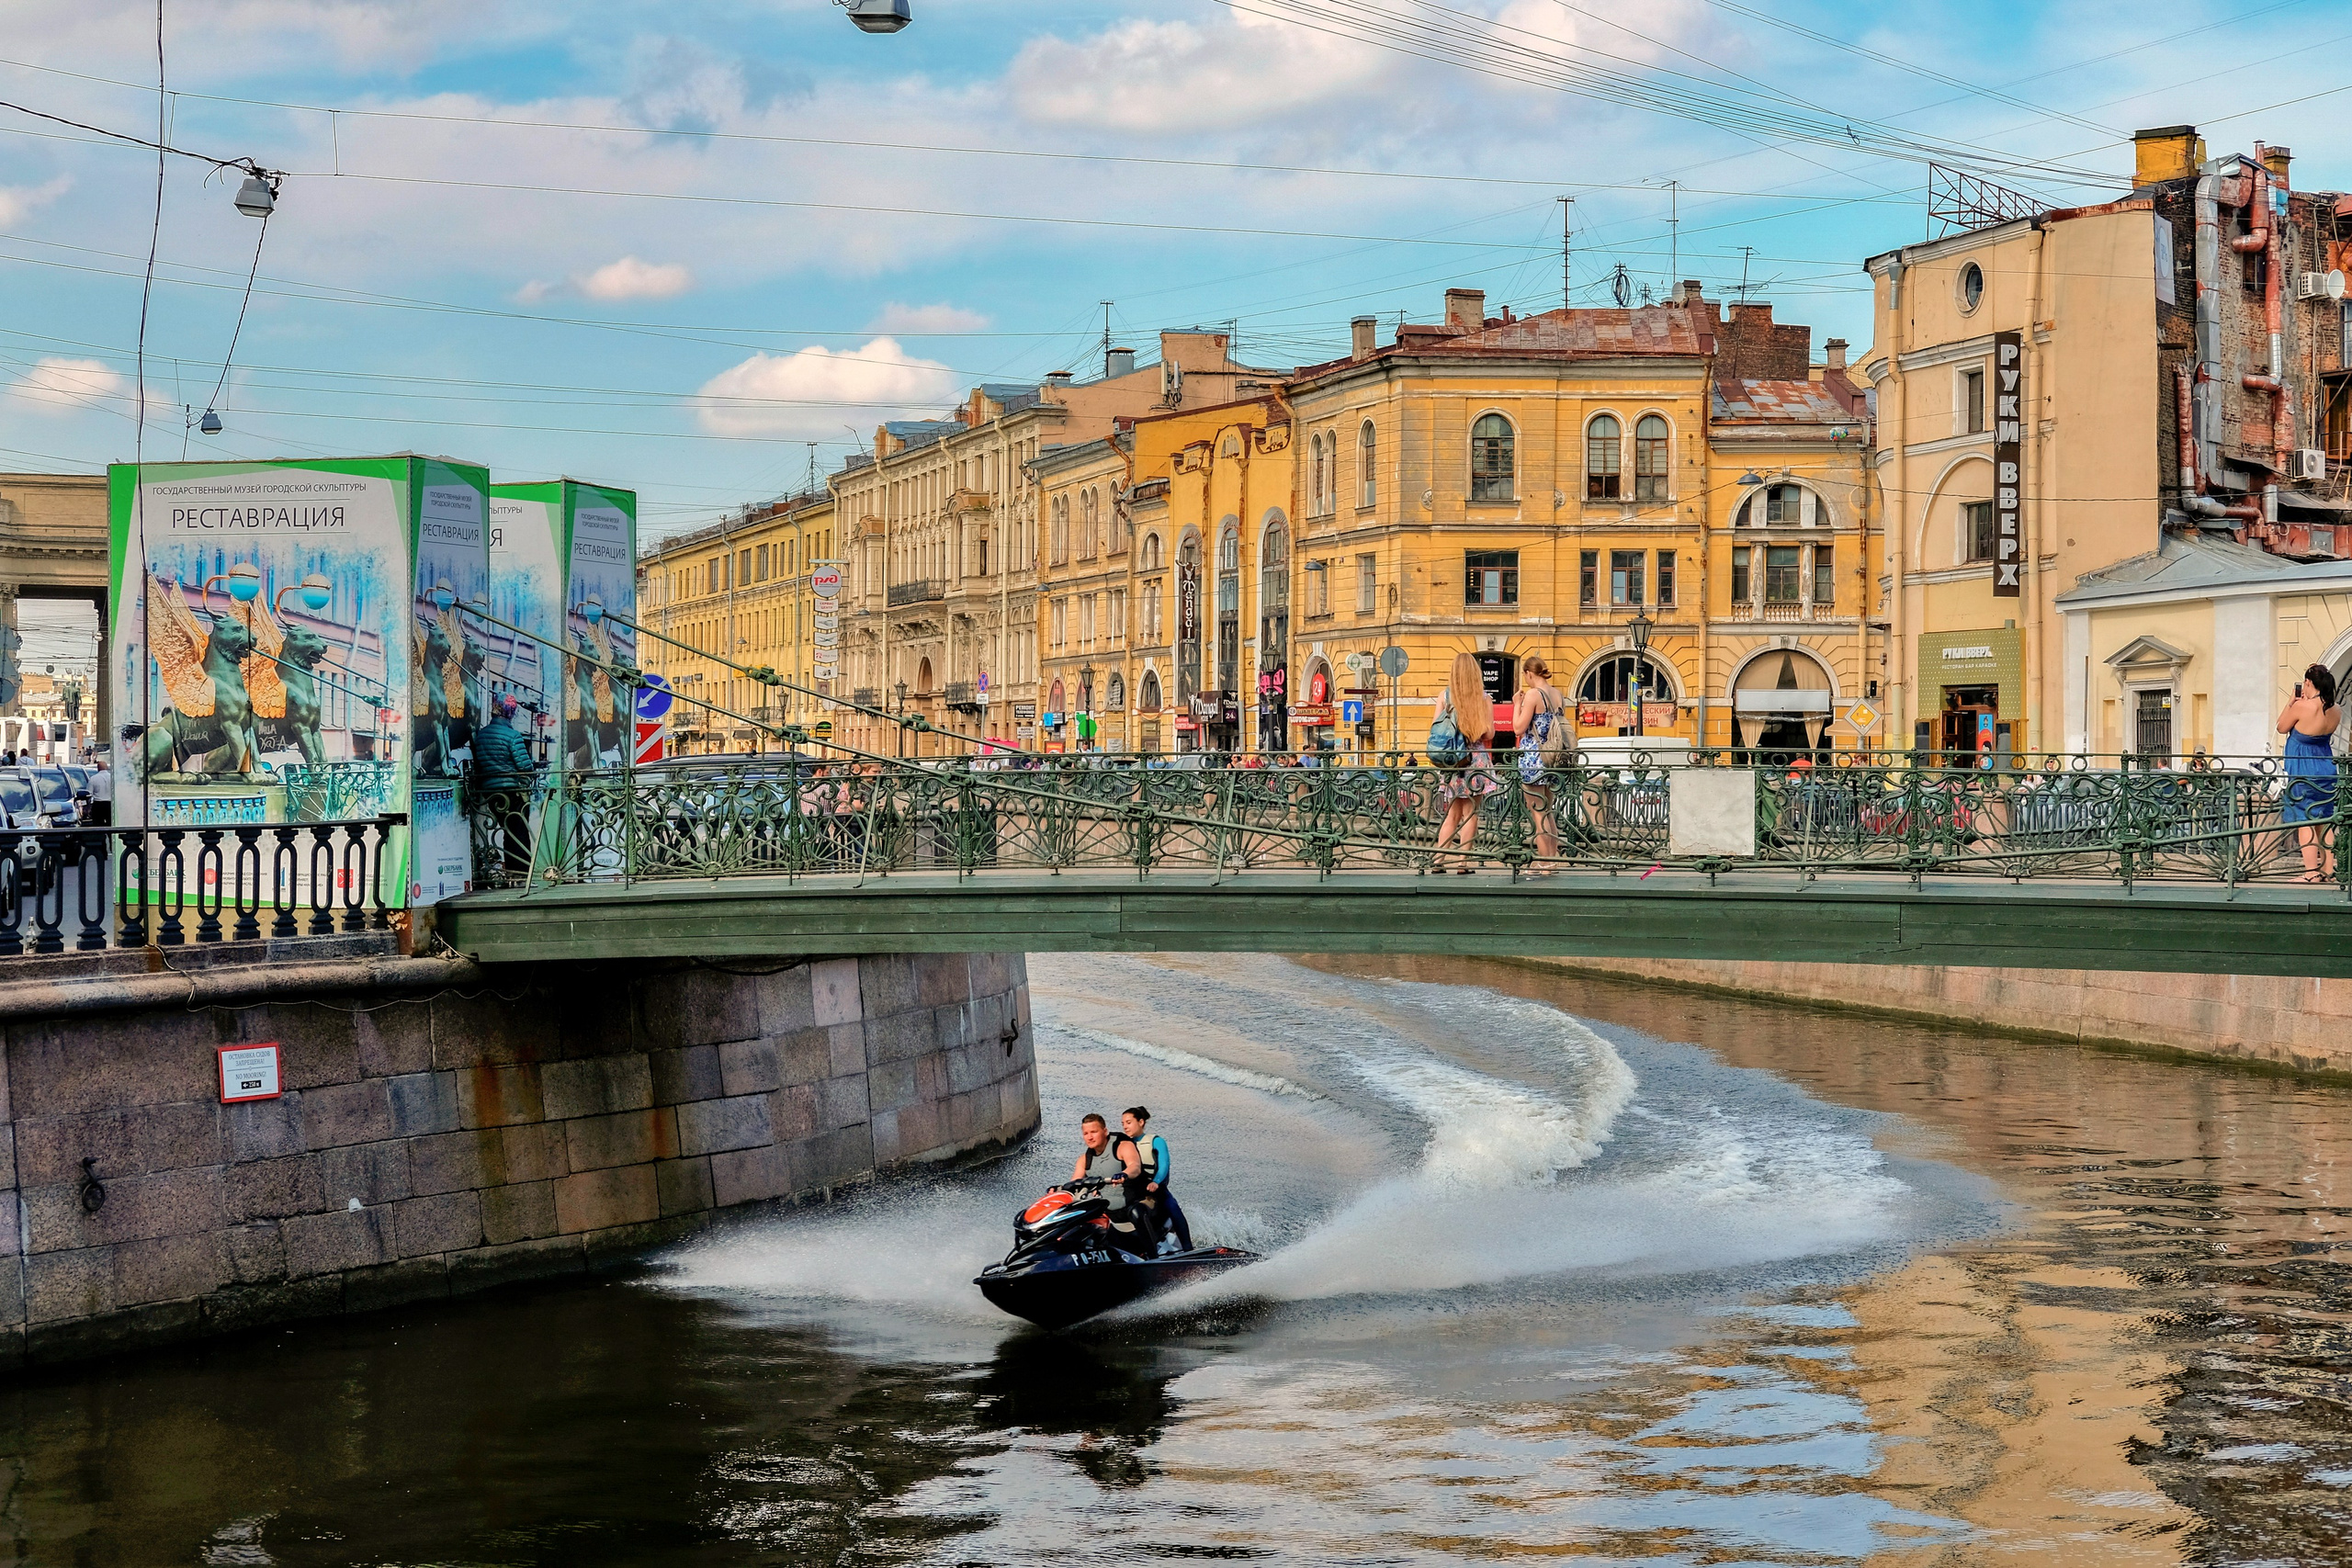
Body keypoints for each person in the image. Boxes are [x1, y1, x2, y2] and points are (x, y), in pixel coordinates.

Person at [1431, 650, 1498, 874]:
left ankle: (1438, 860)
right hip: (1475, 760)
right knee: (1471, 813)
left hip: (1452, 762)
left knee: (1452, 813)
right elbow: (1489, 734)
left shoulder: (1445, 696)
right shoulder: (1484, 698)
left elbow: (1436, 728)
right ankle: (1462, 862)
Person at [2278, 663, 2342, 882]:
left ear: (2307, 682)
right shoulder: (2335, 709)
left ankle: (2311, 873)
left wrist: (2290, 703)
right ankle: (2328, 870)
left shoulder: (2302, 707)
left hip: (2304, 769)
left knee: (2305, 821)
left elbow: (2281, 727)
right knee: (2324, 819)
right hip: (2326, 767)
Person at [471, 694, 538, 879]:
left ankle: (511, 872)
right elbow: (524, 766)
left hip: (492, 792)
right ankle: (521, 874)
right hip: (512, 790)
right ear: (511, 713)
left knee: (508, 831)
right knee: (519, 833)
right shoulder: (513, 736)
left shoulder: (482, 735)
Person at [1511, 656, 1566, 875]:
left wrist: (1517, 704)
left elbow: (1518, 728)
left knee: (1538, 813)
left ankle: (1544, 864)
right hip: (1552, 758)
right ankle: (1551, 862)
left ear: (1528, 673)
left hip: (1534, 759)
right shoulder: (1557, 694)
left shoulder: (1534, 694)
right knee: (1548, 812)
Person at [1070, 1111, 1146, 1250]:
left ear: (1105, 1131)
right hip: (1108, 1213)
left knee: (1137, 1211)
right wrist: (1059, 1189)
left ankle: (1153, 1257)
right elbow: (1074, 1183)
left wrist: (1124, 1174)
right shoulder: (1084, 1160)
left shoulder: (1122, 1146)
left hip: (1133, 1205)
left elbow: (1135, 1167)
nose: (1090, 1137)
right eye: (1086, 1133)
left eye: (1094, 1132)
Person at [1121, 1105, 1192, 1254]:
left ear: (1141, 1122)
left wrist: (1156, 1182)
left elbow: (1164, 1165)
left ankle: (1188, 1248)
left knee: (1173, 1207)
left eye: (1128, 1122)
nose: (1125, 1127)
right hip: (1135, 1190)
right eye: (1123, 1124)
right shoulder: (1124, 1144)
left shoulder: (1156, 1141)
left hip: (1156, 1188)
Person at [83, 758, 113, 827]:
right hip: (110, 804)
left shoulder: (94, 778)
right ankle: (111, 836)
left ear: (98, 768)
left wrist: (87, 807)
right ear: (107, 768)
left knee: (98, 826)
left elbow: (88, 794)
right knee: (111, 825)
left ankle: (101, 836)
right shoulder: (112, 778)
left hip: (98, 805)